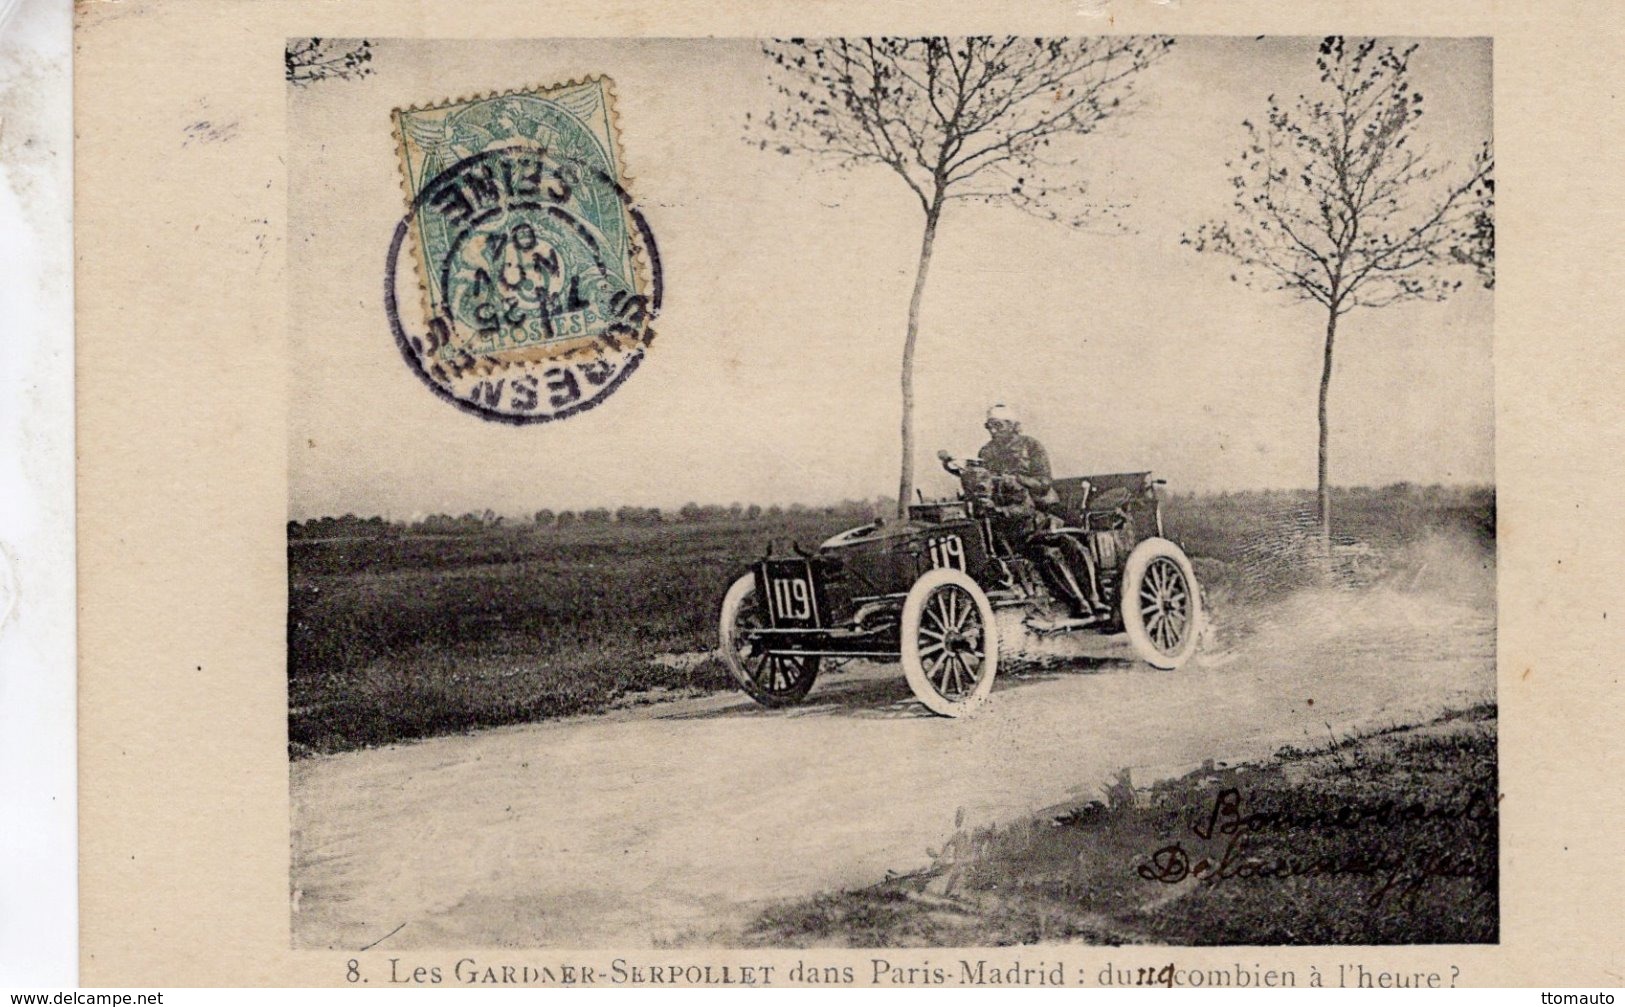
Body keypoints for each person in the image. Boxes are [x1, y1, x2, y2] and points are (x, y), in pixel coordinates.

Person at [975, 404, 1105, 618]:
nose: (992, 431)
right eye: (989, 426)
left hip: (1043, 513)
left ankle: (1095, 599)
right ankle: (1077, 602)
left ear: (1012, 425)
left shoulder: (1031, 446)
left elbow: (1044, 483)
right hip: (1011, 518)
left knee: (1072, 545)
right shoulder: (986, 453)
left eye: (997, 425)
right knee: (1047, 554)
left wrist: (1018, 480)